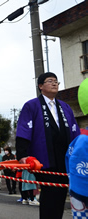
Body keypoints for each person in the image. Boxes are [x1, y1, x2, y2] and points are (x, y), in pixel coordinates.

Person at [16, 72, 80, 219]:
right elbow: (24, 129)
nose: (55, 83)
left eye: (56, 81)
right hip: (44, 159)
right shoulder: (32, 105)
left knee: (61, 195)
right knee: (50, 194)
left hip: (64, 158)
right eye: (50, 81)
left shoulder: (65, 107)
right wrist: (22, 154)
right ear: (40, 86)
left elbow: (74, 131)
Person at [65, 131, 88, 218]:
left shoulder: (80, 139)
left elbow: (69, 161)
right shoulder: (82, 139)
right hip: (78, 189)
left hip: (77, 189)